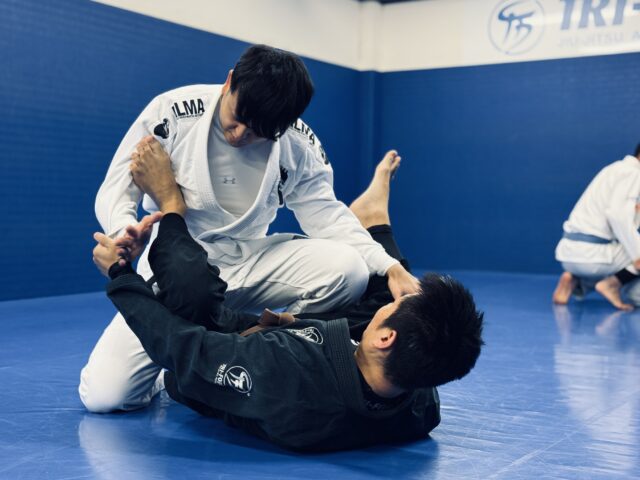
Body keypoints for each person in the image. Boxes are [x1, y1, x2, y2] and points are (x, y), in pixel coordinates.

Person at [82, 44, 418, 412]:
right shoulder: (173, 113)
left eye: (258, 132)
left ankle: (267, 347)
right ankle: (179, 368)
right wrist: (123, 231)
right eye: (237, 117)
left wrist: (389, 266)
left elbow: (326, 214)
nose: (240, 135)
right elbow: (116, 188)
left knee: (349, 270)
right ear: (230, 81)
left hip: (250, 260)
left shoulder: (296, 143)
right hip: (176, 268)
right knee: (106, 396)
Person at [91, 142, 485, 452]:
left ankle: (172, 209)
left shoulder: (284, 381)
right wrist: (295, 323)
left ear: (385, 339)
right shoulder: (421, 405)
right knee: (387, 287)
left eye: (393, 312)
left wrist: (121, 275)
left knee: (191, 291)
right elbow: (402, 351)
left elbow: (179, 344)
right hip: (302, 345)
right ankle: (373, 219)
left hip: (224, 352)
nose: (390, 308)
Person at [553, 144, 640, 310]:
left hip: (570, 254)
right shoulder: (634, 173)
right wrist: (638, 255)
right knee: (635, 255)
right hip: (594, 256)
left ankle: (579, 282)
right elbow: (618, 216)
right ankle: (612, 285)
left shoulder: (614, 169)